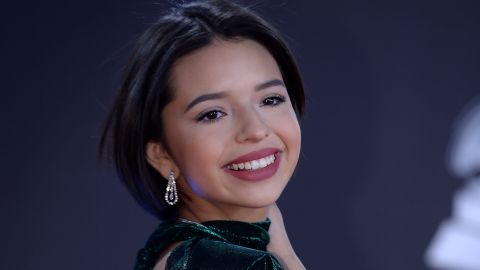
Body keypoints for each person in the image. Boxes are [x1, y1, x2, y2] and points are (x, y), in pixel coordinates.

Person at [100, 0, 306, 269]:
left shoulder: (170, 249)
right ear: (161, 155)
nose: (255, 130)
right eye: (213, 114)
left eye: (270, 99)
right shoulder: (237, 263)